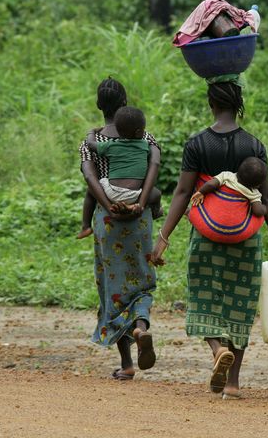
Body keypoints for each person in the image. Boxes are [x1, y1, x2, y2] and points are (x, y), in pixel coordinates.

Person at [150, 77, 268, 399]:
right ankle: (232, 383)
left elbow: (183, 192)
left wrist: (163, 237)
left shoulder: (197, 144)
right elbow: (267, 199)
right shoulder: (254, 145)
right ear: (237, 105)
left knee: (205, 297)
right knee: (239, 304)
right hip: (245, 237)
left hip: (207, 235)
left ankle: (217, 350)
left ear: (211, 104)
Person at [78, 76, 162, 380]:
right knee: (141, 280)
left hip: (108, 220)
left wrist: (108, 204)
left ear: (99, 105)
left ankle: (127, 364)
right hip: (139, 218)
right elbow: (155, 165)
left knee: (113, 287)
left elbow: (89, 177)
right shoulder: (146, 137)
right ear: (125, 102)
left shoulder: (94, 142)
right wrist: (141, 201)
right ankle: (141, 327)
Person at [79, 105, 162, 239]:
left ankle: (86, 226)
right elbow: (155, 161)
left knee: (91, 190)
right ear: (138, 132)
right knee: (157, 194)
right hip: (136, 195)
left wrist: (91, 132)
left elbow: (91, 145)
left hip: (111, 194)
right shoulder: (145, 144)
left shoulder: (111, 146)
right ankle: (156, 211)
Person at [189, 156, 268, 217]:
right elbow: (258, 211)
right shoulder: (253, 193)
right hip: (235, 227)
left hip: (213, 214)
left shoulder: (227, 176)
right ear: (258, 185)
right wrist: (265, 208)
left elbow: (211, 184)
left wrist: (201, 192)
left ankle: (189, 213)